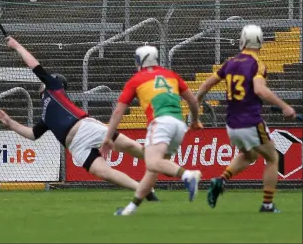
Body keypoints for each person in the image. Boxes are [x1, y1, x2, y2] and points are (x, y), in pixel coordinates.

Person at [0, 36, 159, 201]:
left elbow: (33, 65)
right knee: (103, 172)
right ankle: (143, 189)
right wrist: (11, 123)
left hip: (85, 128)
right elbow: (33, 134)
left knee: (129, 146)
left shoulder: (53, 88)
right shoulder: (45, 115)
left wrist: (17, 46)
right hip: (76, 147)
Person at [196, 24, 296, 213]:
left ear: (242, 40)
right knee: (272, 158)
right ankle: (267, 205)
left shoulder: (230, 63)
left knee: (250, 155)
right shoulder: (257, 63)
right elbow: (259, 89)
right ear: (260, 42)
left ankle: (221, 180)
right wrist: (285, 106)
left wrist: (196, 111)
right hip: (250, 121)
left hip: (231, 124)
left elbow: (204, 86)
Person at [101, 45, 202, 216]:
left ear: (139, 60)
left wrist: (108, 137)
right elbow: (193, 101)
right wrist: (195, 120)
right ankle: (129, 210)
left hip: (160, 122)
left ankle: (188, 175)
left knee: (152, 163)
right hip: (178, 124)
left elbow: (118, 111)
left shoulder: (136, 79)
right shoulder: (171, 75)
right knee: (154, 169)